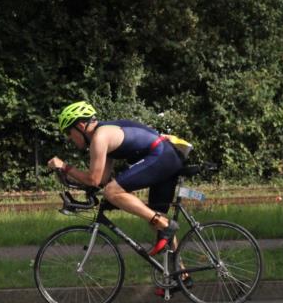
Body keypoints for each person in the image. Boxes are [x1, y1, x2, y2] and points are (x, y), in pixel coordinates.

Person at [47, 101, 183, 252]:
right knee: (156, 221)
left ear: (80, 127)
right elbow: (101, 180)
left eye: (69, 133)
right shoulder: (104, 133)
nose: (70, 139)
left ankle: (165, 224)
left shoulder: (100, 137)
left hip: (163, 156)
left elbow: (93, 179)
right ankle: (180, 272)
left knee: (113, 192)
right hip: (167, 156)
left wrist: (64, 167)